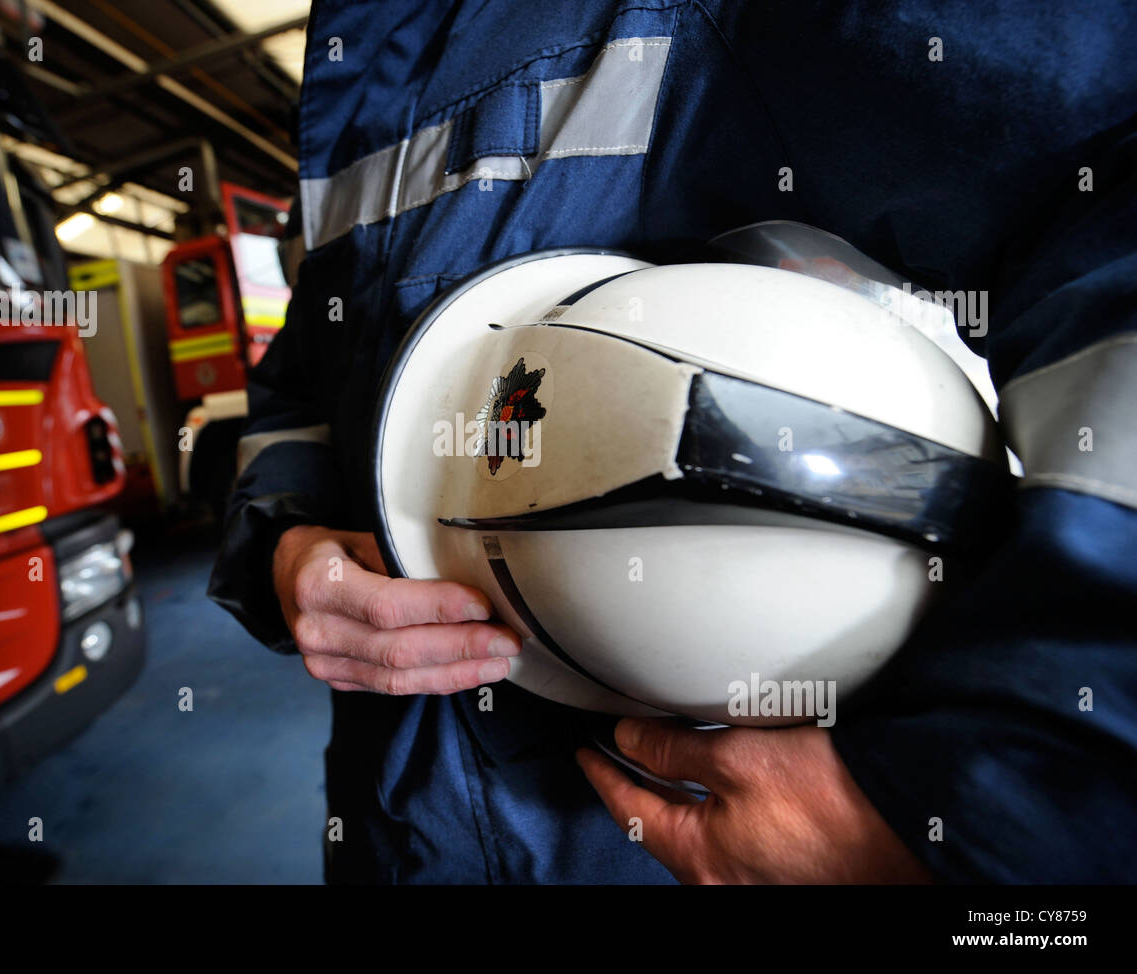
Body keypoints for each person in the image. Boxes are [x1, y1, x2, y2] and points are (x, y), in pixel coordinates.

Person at [210, 0, 1137, 883]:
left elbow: (1106, 167)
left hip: (664, 839)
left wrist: (989, 814)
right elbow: (299, 386)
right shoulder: (356, 56)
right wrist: (287, 547)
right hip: (398, 819)